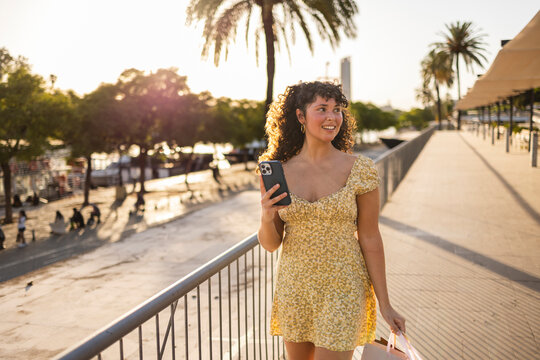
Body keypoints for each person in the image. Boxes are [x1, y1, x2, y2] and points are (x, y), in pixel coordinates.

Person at [257, 81, 406, 360]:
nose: (331, 117)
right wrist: (266, 217)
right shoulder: (279, 172)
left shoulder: (360, 170)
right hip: (295, 288)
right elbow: (270, 244)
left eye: (337, 110)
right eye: (322, 109)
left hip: (344, 288)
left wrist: (385, 305)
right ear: (301, 116)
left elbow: (371, 239)